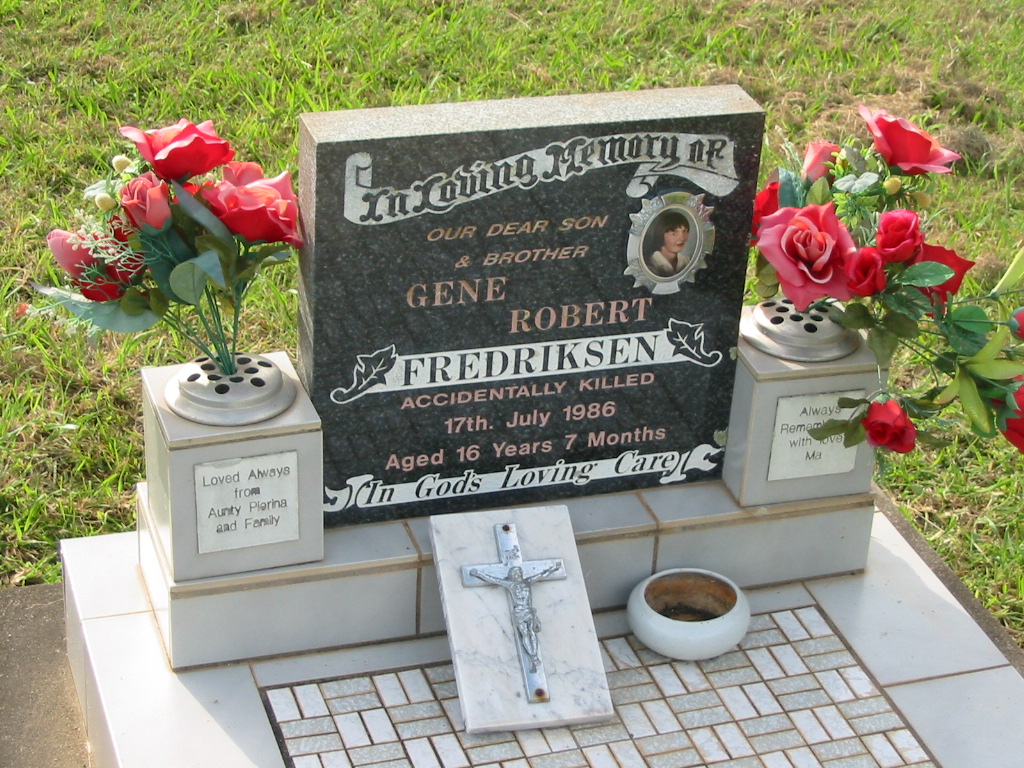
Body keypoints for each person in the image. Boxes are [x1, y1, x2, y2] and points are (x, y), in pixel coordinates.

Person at [468, 563, 561, 672]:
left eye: (519, 572)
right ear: (511, 575)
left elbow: (542, 574)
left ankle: (534, 656)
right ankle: (532, 656)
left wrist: (554, 568)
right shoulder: (511, 584)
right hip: (519, 612)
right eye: (515, 573)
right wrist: (478, 574)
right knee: (525, 633)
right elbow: (493, 579)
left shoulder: (528, 581)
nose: (518, 574)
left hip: (529, 611)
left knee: (531, 632)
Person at [644, 210, 691, 277]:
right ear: (661, 235)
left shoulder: (686, 260)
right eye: (674, 234)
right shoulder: (652, 263)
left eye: (685, 231)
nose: (682, 238)